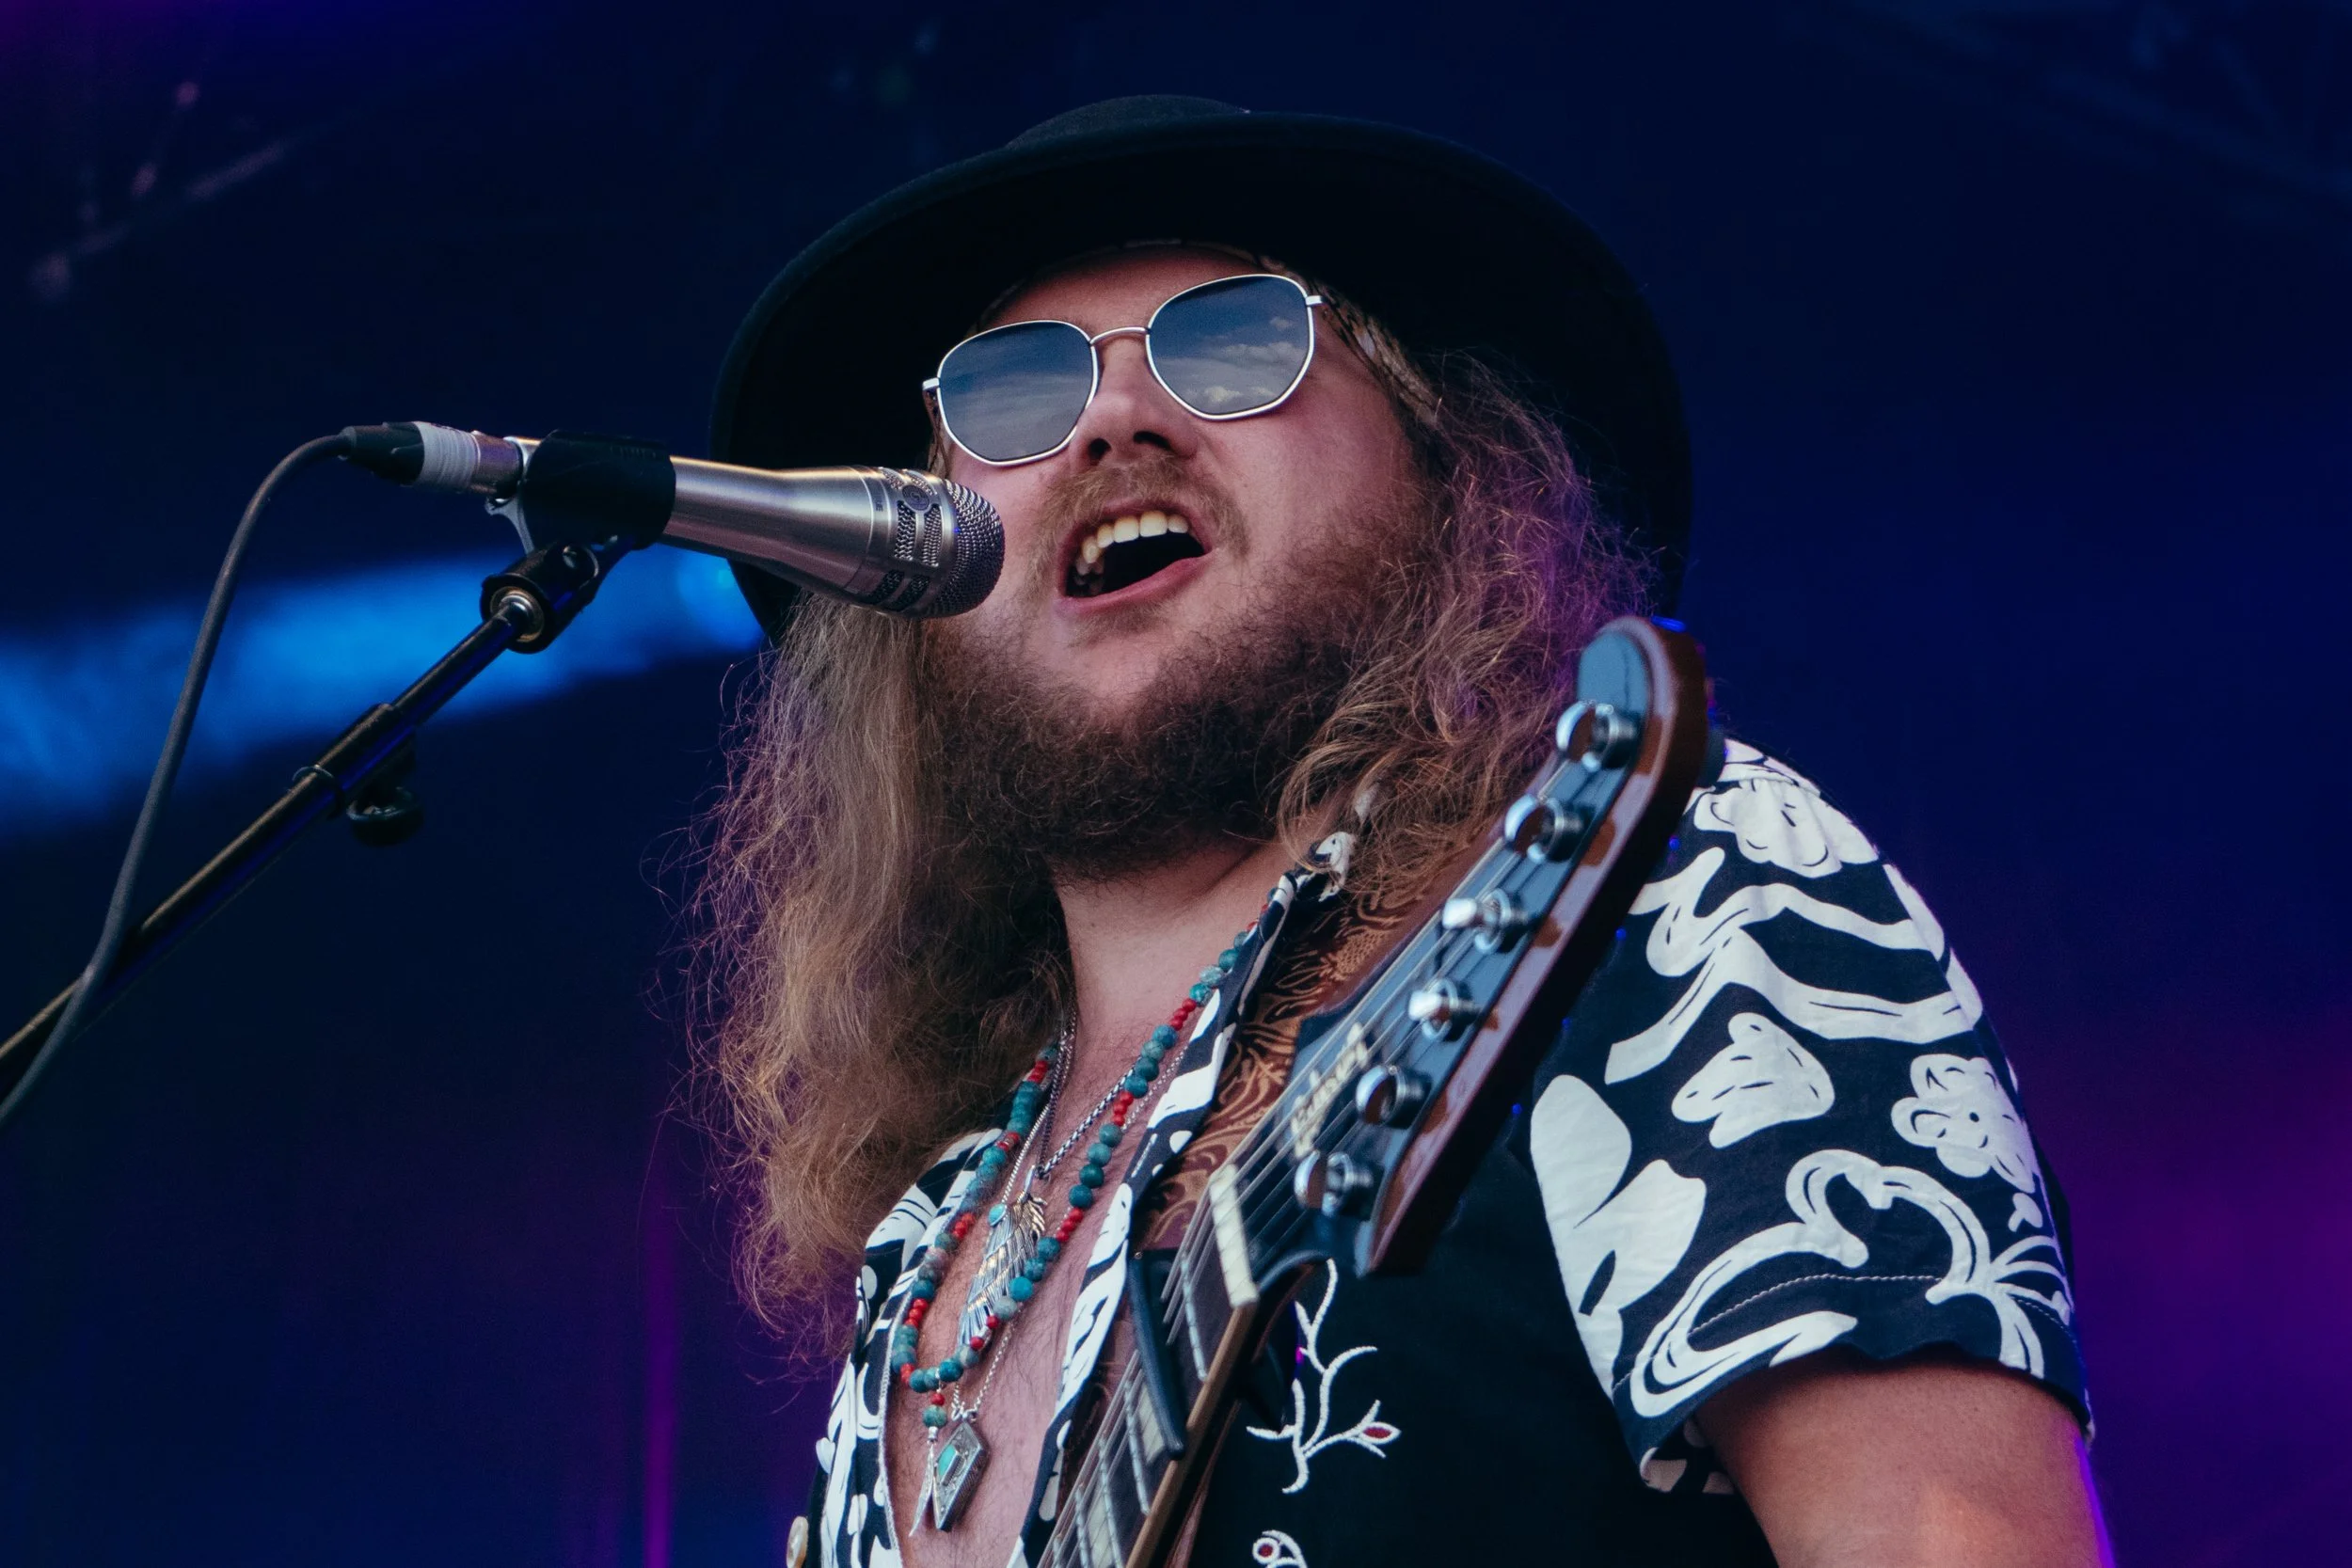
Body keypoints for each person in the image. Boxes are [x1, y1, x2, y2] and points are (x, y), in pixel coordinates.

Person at [694, 98, 2108, 1568]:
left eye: (1234, 343)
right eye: (1010, 390)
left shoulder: (1666, 899)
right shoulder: (935, 1243)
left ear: (1450, 468)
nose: (1111, 419)